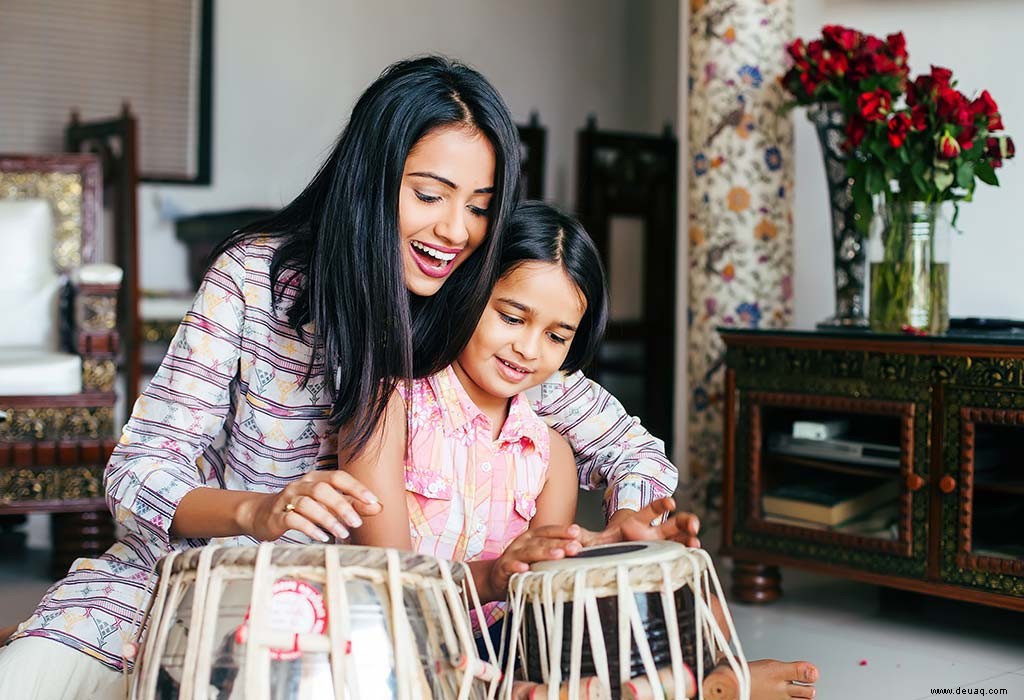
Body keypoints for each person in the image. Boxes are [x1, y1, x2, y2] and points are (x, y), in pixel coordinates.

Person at [0, 56, 684, 699]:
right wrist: (254, 512)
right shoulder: (255, 282)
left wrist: (631, 514)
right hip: (174, 591)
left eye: (479, 206)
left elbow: (631, 450)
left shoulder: (473, 317)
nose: (456, 230)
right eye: (429, 194)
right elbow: (138, 471)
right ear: (373, 178)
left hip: (354, 636)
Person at [344, 202, 819, 700]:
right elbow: (390, 586)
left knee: (670, 578)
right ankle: (676, 688)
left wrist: (611, 547)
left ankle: (712, 674)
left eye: (555, 336)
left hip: (506, 646)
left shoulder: (550, 454)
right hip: (398, 647)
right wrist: (493, 576)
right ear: (466, 291)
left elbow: (544, 598)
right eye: (511, 317)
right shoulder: (384, 406)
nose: (528, 349)